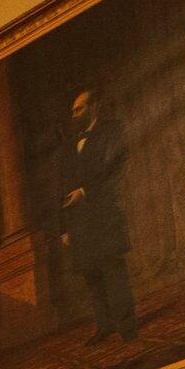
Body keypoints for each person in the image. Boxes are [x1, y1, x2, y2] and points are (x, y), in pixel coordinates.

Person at [51, 84, 137, 346]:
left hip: (104, 215)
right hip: (79, 224)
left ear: (94, 107)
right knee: (93, 277)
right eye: (73, 110)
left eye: (80, 108)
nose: (76, 113)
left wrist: (86, 192)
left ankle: (127, 326)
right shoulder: (68, 147)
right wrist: (64, 229)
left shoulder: (112, 131)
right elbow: (62, 188)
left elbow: (115, 169)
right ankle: (104, 325)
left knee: (114, 273)